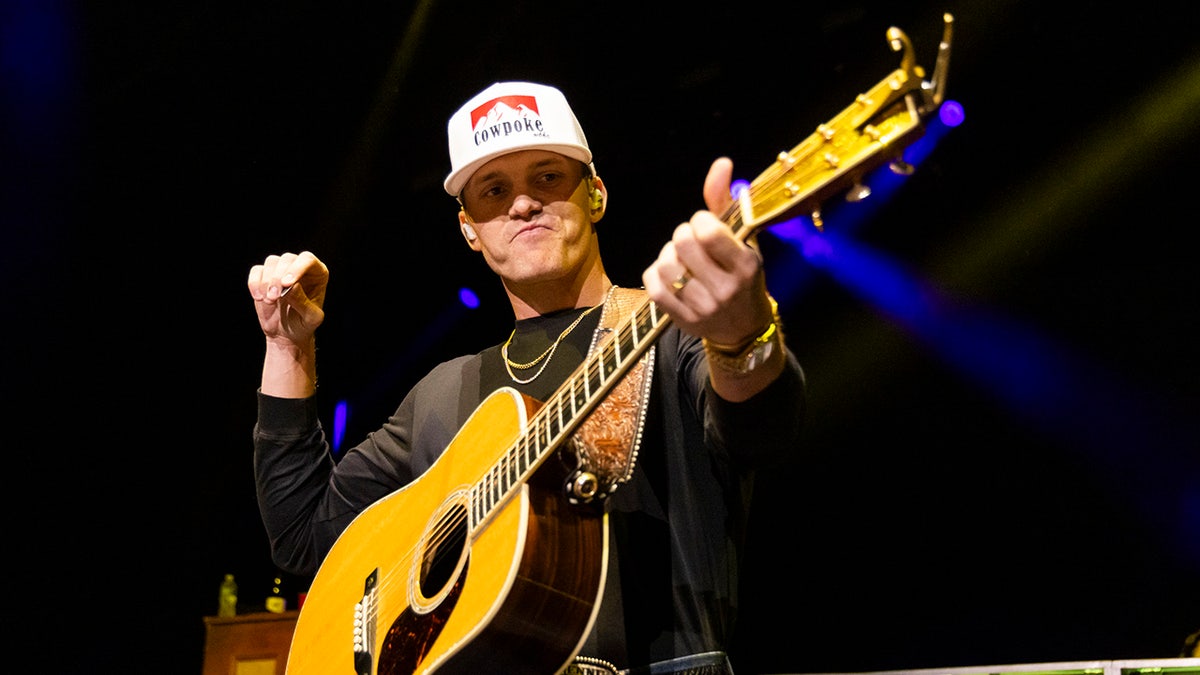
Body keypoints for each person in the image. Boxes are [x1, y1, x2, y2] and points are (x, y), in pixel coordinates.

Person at [248, 81, 806, 675]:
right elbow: (305, 535)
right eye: (495, 190)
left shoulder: (672, 327)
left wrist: (742, 337)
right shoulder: (442, 395)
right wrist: (286, 345)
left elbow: (766, 434)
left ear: (595, 195)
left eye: (546, 177)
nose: (522, 205)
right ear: (469, 230)